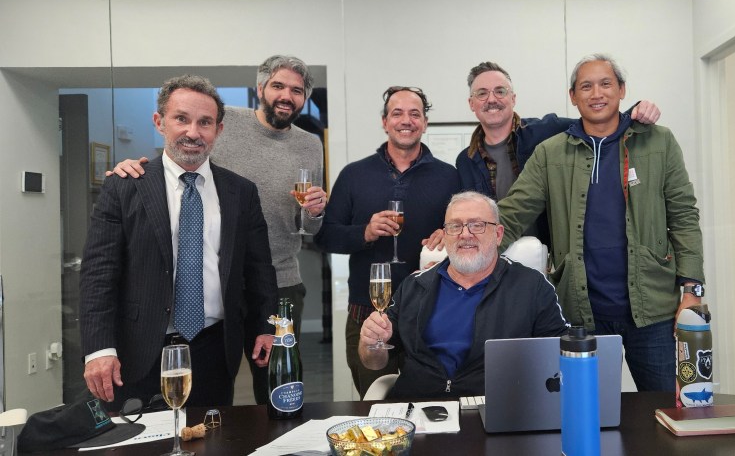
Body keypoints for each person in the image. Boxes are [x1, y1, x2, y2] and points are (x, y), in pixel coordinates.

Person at [109, 55, 326, 405]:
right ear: (261, 89)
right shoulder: (224, 120)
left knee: (278, 382)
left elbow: (309, 226)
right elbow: (183, 153)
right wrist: (136, 167)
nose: (286, 96)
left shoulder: (310, 144)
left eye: (297, 91)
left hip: (279, 279)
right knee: (211, 375)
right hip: (219, 277)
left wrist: (315, 212)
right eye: (278, 86)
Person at [497, 54, 705, 392]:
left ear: (621, 90)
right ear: (573, 96)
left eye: (606, 84)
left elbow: (683, 215)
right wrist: (466, 244)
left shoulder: (659, 141)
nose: (597, 94)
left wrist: (692, 290)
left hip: (654, 312)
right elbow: (512, 213)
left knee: (666, 409)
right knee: (588, 412)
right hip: (581, 316)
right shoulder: (550, 153)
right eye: (586, 86)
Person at [80, 75, 278, 409]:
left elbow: (259, 269)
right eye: (181, 119)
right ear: (159, 122)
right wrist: (99, 349)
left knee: (212, 435)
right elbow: (98, 275)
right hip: (137, 351)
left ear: (218, 129)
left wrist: (265, 326)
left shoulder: (241, 192)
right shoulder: (125, 186)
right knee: (139, 438)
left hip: (214, 351)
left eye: (205, 122)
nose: (193, 132)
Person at [314, 86, 460, 398]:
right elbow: (326, 236)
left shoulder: (449, 176)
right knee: (375, 404)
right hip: (367, 316)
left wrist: (449, 234)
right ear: (384, 122)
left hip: (430, 316)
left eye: (415, 114)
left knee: (430, 406)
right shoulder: (354, 174)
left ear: (424, 123)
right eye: (397, 113)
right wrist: (365, 232)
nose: (406, 120)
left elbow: (467, 233)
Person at [359, 191, 568, 399]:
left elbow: (560, 357)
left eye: (477, 225)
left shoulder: (532, 287)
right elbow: (375, 362)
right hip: (418, 407)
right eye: (455, 226)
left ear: (498, 235)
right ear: (445, 234)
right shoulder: (414, 286)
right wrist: (370, 343)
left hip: (495, 407)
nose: (465, 234)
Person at [456, 61, 661, 242]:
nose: (492, 99)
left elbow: (599, 123)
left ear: (513, 98)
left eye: (500, 91)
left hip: (546, 255)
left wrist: (637, 111)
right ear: (471, 103)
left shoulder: (547, 131)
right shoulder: (465, 160)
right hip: (494, 251)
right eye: (482, 93)